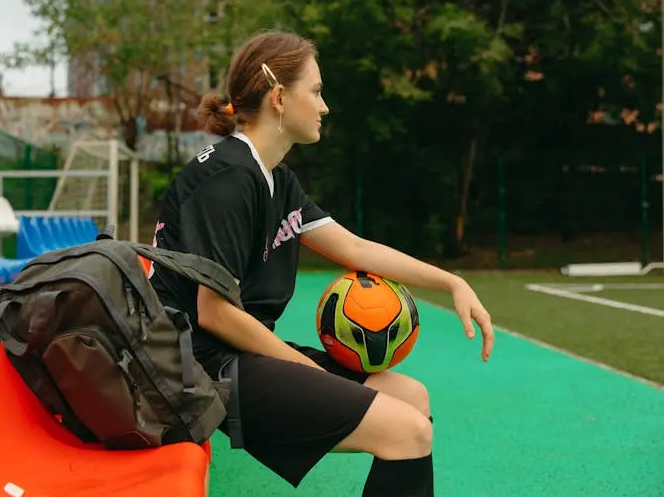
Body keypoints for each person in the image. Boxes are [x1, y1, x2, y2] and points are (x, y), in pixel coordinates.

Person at [146, 30, 495, 496]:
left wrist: (451, 283)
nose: (324, 106)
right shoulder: (227, 180)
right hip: (199, 368)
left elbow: (355, 249)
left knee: (411, 397)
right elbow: (214, 312)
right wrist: (307, 371)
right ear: (278, 97)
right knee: (407, 432)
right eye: (316, 91)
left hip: (238, 356)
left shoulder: (275, 179)